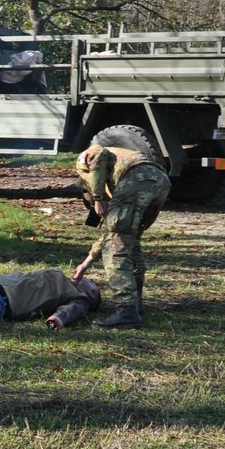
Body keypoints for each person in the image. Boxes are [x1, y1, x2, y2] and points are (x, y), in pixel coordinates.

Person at [71, 140, 170, 329]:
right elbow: (111, 234)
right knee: (128, 240)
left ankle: (126, 311)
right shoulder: (117, 177)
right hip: (160, 181)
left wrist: (98, 198)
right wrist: (85, 264)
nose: (98, 212)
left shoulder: (84, 163)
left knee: (115, 251)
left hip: (137, 179)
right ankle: (136, 304)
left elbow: (97, 154)